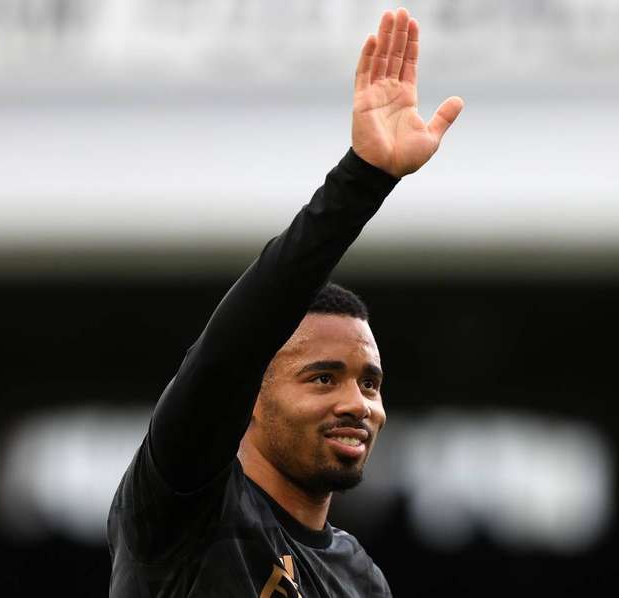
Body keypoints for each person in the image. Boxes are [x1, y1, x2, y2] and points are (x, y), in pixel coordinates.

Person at [107, 7, 463, 597]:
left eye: (370, 383)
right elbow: (233, 345)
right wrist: (364, 178)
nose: (358, 404)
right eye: (322, 379)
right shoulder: (184, 507)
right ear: (249, 393)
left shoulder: (361, 579)